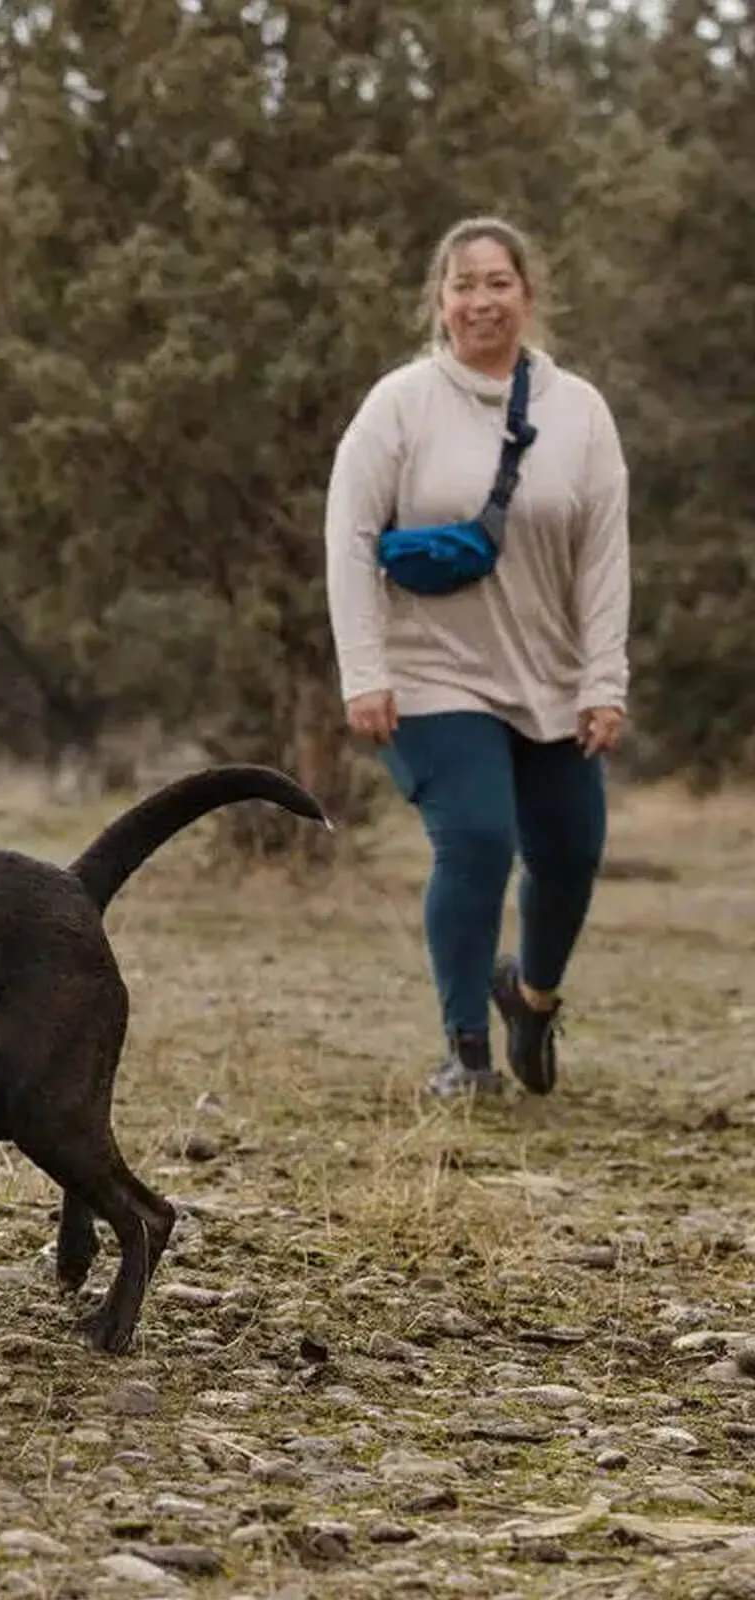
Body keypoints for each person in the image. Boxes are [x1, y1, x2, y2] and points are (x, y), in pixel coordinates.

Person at [323, 215, 631, 1099]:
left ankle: (529, 997)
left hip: (554, 672)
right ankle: (466, 1051)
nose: (481, 301)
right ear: (440, 301)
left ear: (528, 296)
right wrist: (365, 669)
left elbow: (606, 557)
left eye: (498, 282)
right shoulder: (399, 405)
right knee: (479, 841)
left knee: (571, 853)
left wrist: (603, 680)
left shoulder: (579, 412)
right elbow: (348, 537)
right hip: (431, 672)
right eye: (463, 285)